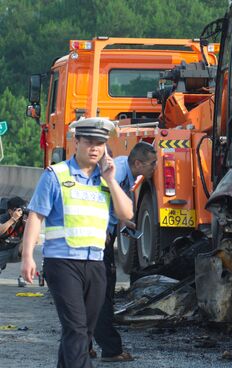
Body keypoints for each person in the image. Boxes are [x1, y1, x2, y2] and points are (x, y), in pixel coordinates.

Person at [21, 117, 133, 368]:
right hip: (62, 263)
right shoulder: (55, 175)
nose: (95, 148)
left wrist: (112, 181)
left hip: (95, 264)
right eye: (89, 142)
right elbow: (36, 215)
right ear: (76, 142)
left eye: (100, 144)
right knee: (76, 329)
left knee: (83, 332)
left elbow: (127, 214)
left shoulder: (106, 180)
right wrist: (28, 256)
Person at [90, 141, 156, 362]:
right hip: (99, 238)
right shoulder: (117, 172)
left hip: (101, 235)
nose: (154, 168)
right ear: (137, 163)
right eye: (152, 163)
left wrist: (124, 222)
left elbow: (113, 203)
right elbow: (99, 199)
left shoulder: (125, 174)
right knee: (103, 293)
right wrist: (102, 229)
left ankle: (84, 343)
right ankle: (110, 349)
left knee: (94, 292)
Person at [0, 196, 27, 275]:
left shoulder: (24, 219)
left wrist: (27, 226)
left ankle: (23, 275)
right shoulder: (3, 218)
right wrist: (13, 220)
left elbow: (35, 240)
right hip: (2, 250)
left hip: (16, 251)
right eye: (17, 210)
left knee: (27, 245)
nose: (20, 212)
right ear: (10, 211)